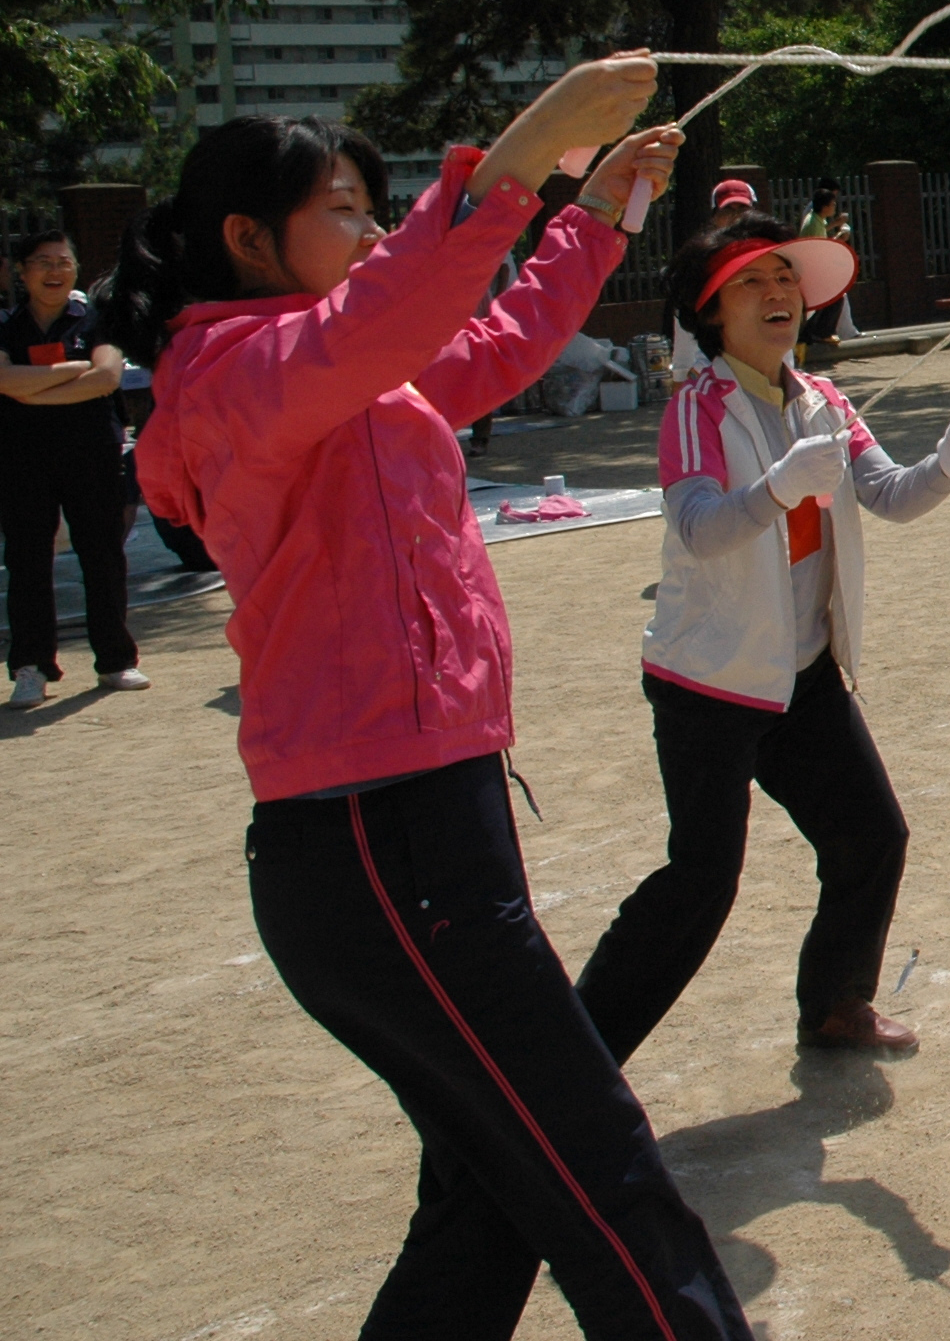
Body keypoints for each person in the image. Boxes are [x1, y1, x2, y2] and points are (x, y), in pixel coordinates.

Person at [111, 75, 750, 1337]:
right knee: (596, 1161)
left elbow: (495, 340)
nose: (366, 231)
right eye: (342, 209)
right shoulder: (242, 375)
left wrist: (601, 210)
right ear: (248, 236)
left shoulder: (353, 370)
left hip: (432, 823)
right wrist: (516, 159)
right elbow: (388, 312)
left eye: (371, 209)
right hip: (374, 842)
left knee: (491, 1190)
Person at [574, 214, 950, 1064]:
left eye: (784, 278)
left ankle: (837, 1006)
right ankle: (576, 1062)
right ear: (710, 311)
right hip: (709, 683)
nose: (777, 294)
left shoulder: (825, 401)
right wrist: (776, 489)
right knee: (700, 880)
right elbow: (698, 528)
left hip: (803, 674)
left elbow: (890, 495)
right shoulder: (697, 409)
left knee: (871, 837)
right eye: (750, 282)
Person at [4, 227, 144, 706]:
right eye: (43, 262)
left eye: (63, 262)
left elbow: (106, 376)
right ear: (22, 272)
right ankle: (31, 666)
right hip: (22, 459)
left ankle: (115, 660)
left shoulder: (98, 321)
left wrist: (32, 390)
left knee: (102, 554)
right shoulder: (6, 328)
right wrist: (71, 370)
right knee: (27, 561)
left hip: (91, 454)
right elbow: (2, 379)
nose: (55, 271)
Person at [666, 179, 760, 378]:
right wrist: (680, 375)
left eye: (742, 209)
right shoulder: (700, 262)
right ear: (714, 216)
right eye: (727, 210)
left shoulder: (771, 256)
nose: (735, 217)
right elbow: (684, 327)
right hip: (713, 374)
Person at [795, 183, 854, 368]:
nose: (835, 207)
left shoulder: (817, 220)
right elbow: (818, 249)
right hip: (812, 271)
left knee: (823, 303)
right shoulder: (814, 223)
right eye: (833, 204)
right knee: (835, 297)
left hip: (812, 270)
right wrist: (839, 239)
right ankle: (822, 333)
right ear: (825, 206)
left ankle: (814, 334)